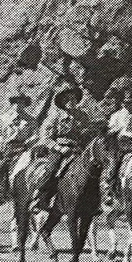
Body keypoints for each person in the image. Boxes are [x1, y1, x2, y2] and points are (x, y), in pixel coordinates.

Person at [31, 83, 92, 215]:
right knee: (52, 168)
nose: (71, 101)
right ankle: (40, 196)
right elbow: (46, 137)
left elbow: (87, 134)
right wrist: (59, 148)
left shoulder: (83, 116)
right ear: (62, 101)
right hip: (59, 150)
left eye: (74, 99)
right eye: (67, 99)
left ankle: (93, 202)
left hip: (78, 150)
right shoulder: (55, 116)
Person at [0, 92, 39, 205]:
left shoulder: (31, 121)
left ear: (25, 105)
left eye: (21, 103)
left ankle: (36, 195)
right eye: (16, 102)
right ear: (13, 104)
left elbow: (36, 135)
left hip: (23, 148)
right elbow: (0, 135)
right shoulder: (6, 119)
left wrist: (28, 143)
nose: (18, 105)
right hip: (8, 148)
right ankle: (0, 191)